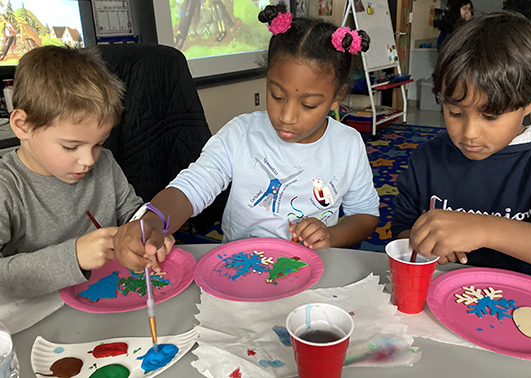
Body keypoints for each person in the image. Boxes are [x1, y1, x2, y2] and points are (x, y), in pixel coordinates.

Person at [113, 3, 381, 271]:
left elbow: (365, 215)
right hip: (241, 269)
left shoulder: (348, 144)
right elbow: (193, 187)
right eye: (277, 96)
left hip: (311, 269)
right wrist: (154, 220)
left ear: (336, 97)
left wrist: (332, 236)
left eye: (308, 105)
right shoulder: (240, 134)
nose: (286, 116)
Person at [392, 11, 531, 281]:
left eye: (491, 116)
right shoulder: (427, 160)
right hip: (444, 298)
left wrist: (484, 230)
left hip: (529, 309)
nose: (469, 133)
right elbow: (402, 229)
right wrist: (421, 241)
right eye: (455, 113)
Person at [0, 46, 172, 303]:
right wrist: (75, 256)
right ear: (22, 126)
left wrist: (146, 233)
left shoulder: (105, 164)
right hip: (37, 318)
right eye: (70, 146)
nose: (89, 160)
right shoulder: (7, 188)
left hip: (107, 298)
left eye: (99, 144)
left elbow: (133, 215)